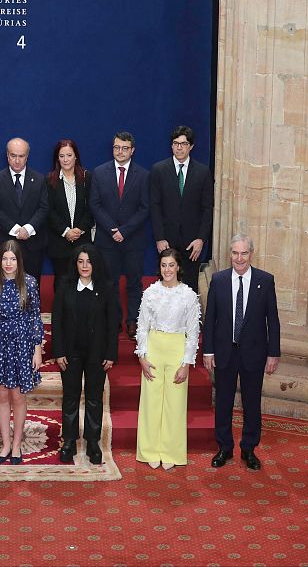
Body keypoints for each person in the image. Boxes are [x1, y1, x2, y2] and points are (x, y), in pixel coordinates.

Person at [203, 234, 280, 471]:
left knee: (251, 403)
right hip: (225, 353)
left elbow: (273, 321)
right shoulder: (219, 280)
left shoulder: (265, 281)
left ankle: (249, 448)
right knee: (223, 402)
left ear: (251, 254)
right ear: (230, 254)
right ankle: (224, 447)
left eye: (244, 253)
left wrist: (273, 353)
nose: (239, 258)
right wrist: (208, 352)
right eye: (235, 253)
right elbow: (210, 319)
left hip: (254, 354)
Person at [134, 248, 201, 470]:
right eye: (164, 265)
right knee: (151, 402)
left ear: (178, 267)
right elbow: (142, 327)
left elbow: (192, 333)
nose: (167, 270)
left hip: (176, 349)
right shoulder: (150, 293)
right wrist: (142, 356)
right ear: (159, 268)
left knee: (175, 403)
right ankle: (150, 450)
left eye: (171, 265)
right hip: (154, 347)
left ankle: (171, 451)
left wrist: (186, 364)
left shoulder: (189, 295)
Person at [51, 244, 117, 465]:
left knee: (94, 398)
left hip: (97, 354)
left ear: (95, 263)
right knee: (70, 397)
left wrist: (111, 353)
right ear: (75, 264)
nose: (85, 266)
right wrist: (58, 351)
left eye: (89, 261)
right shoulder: (64, 285)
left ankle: (93, 442)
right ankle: (69, 441)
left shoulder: (106, 287)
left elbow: (112, 323)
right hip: (70, 353)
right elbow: (57, 321)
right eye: (80, 261)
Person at [0, 240, 44, 465]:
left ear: (19, 261)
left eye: (12, 259)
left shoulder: (29, 283)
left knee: (17, 396)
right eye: (4, 259)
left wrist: (37, 350)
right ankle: (5, 444)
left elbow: (35, 317)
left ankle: (17, 444)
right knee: (1, 395)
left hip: (22, 345)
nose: (8, 263)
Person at [90, 131, 150, 339]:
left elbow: (144, 208)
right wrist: (112, 229)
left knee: (134, 282)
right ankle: (113, 320)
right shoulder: (99, 172)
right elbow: (95, 205)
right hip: (107, 239)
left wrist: (124, 231)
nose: (120, 151)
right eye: (117, 147)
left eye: (125, 148)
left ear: (132, 150)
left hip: (133, 239)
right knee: (109, 282)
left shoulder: (143, 175)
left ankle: (133, 320)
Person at [150, 126, 214, 292]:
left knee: (189, 287)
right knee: (167, 286)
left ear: (191, 146)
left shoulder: (203, 172)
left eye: (183, 144)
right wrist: (159, 238)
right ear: (171, 146)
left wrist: (201, 239)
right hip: (166, 241)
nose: (179, 147)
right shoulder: (158, 170)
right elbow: (154, 206)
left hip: (192, 243)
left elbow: (207, 208)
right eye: (175, 143)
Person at [0, 138, 50, 281]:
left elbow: (44, 207)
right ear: (7, 156)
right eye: (13, 155)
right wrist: (16, 229)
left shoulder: (39, 179)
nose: (17, 160)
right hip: (5, 244)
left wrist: (28, 229)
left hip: (33, 245)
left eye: (21, 156)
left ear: (27, 157)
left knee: (32, 288)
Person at [46, 139, 94, 286]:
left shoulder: (87, 178)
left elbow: (92, 208)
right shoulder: (49, 180)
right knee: (61, 283)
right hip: (59, 242)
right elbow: (48, 211)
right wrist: (66, 231)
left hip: (82, 241)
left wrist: (79, 230)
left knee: (82, 283)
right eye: (61, 156)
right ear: (57, 158)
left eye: (69, 155)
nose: (65, 159)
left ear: (76, 156)